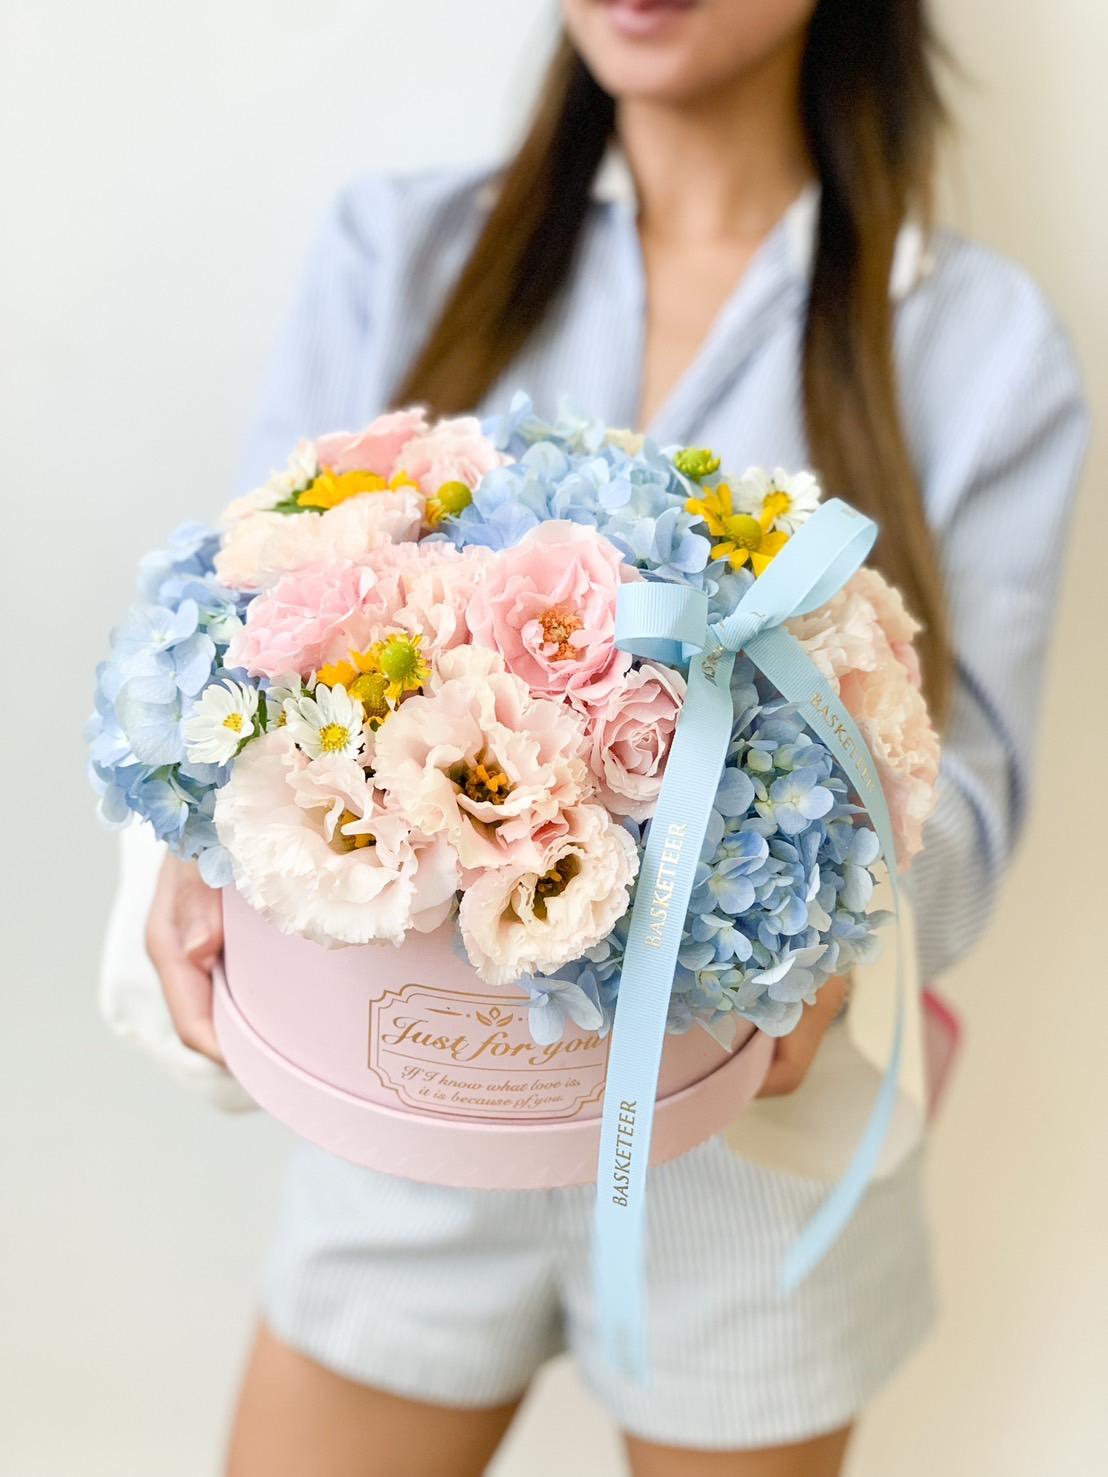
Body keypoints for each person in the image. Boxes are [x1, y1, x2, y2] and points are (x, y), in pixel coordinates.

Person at [117, 1, 1089, 1473]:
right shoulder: (403, 248)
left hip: (755, 1160)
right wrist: (197, 842)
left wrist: (822, 923)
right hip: (412, 1101)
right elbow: (248, 636)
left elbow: (971, 809)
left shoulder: (978, 344)